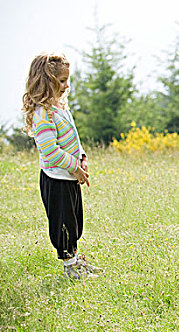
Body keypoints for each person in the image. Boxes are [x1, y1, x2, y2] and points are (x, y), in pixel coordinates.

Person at [22, 53, 101, 279]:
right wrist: (74, 168)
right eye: (62, 81)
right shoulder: (42, 112)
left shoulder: (59, 107)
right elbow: (50, 151)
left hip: (68, 176)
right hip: (56, 178)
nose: (67, 85)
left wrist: (82, 157)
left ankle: (76, 260)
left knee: (74, 221)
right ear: (46, 81)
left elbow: (73, 139)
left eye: (68, 79)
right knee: (63, 224)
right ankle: (70, 268)